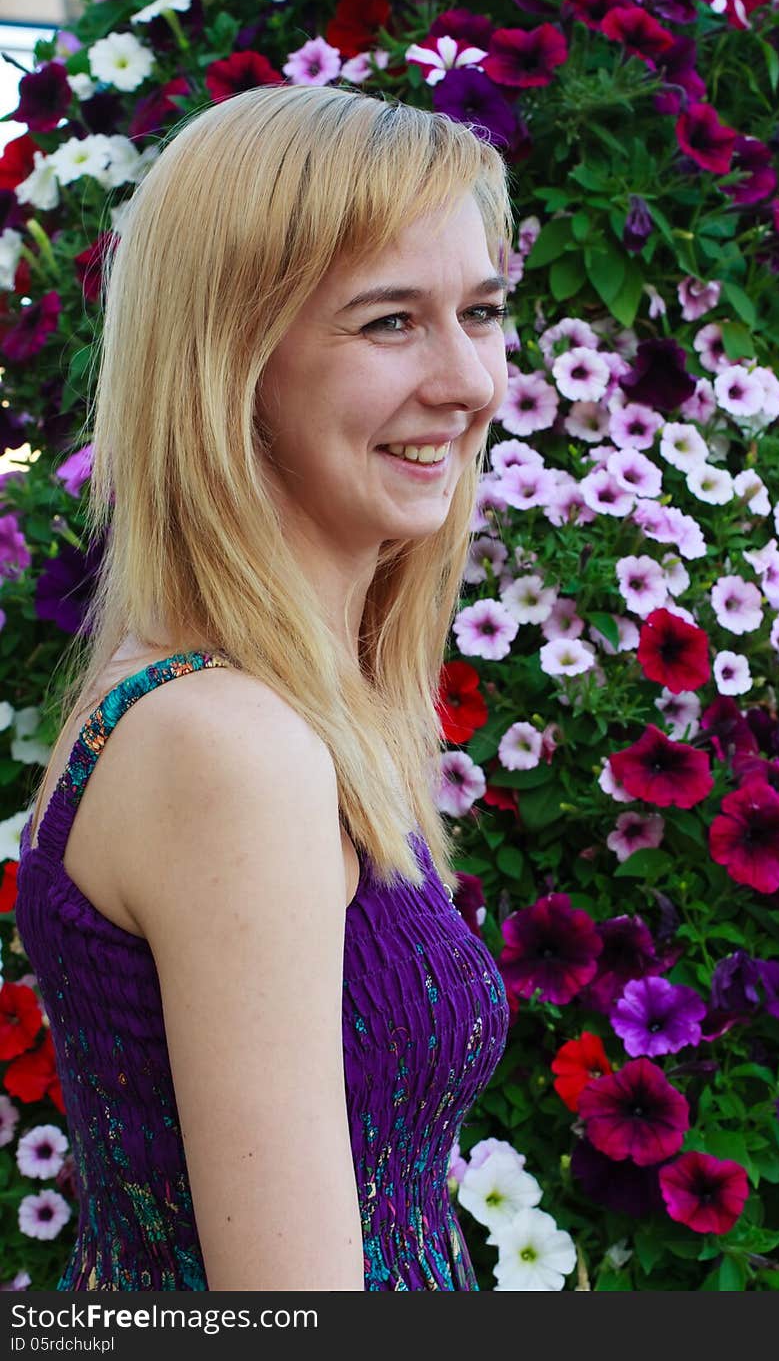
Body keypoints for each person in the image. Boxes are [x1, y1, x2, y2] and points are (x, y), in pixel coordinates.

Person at [15, 82, 514, 1291]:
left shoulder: (283, 703)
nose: (469, 381)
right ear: (233, 360)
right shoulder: (224, 742)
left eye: (484, 310)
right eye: (391, 321)